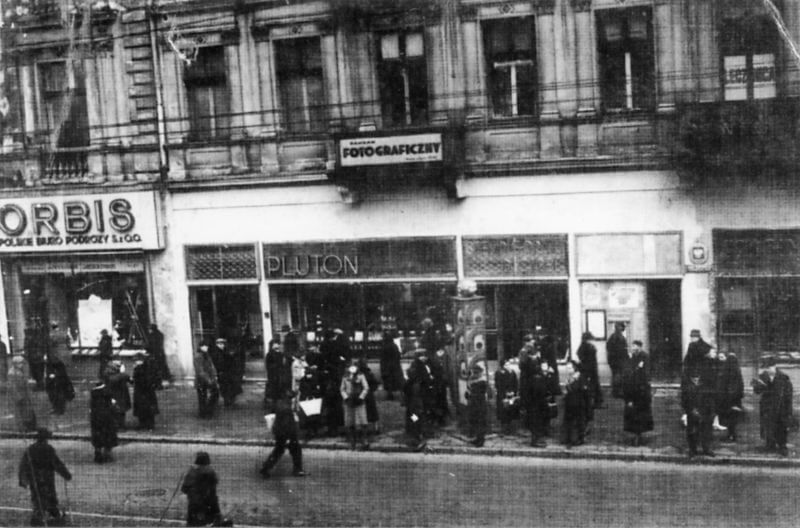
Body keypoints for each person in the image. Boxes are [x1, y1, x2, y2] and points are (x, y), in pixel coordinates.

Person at [18, 428, 72, 527]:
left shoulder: (30, 449)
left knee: (37, 496)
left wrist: (23, 479)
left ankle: (39, 515)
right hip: (47, 478)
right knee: (50, 495)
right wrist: (66, 474)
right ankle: (53, 514)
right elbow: (57, 463)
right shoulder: (48, 449)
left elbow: (24, 465)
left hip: (35, 478)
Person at [752, 357, 794, 456]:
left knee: (781, 427)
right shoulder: (763, 377)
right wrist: (756, 385)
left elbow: (788, 394)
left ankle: (782, 446)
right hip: (767, 407)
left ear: (774, 366)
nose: (767, 370)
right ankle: (770, 445)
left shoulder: (783, 377)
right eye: (765, 368)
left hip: (780, 406)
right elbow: (757, 391)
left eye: (769, 367)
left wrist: (788, 409)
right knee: (768, 426)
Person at [260, 392, 306, 478]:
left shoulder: (281, 404)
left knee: (279, 450)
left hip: (280, 431)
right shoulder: (287, 408)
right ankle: (297, 469)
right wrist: (291, 434)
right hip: (286, 432)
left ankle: (266, 467)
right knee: (294, 449)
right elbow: (287, 423)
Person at [181, 452, 229, 527]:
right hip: (208, 506)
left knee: (193, 524)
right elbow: (213, 493)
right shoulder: (211, 473)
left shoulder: (192, 472)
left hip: (195, 506)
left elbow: (184, 489)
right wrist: (217, 512)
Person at [622, 341, 653, 446]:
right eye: (633, 346)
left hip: (641, 390)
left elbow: (646, 373)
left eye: (635, 346)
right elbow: (627, 372)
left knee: (641, 414)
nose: (633, 348)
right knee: (632, 414)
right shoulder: (631, 358)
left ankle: (639, 435)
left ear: (639, 347)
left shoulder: (645, 357)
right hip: (631, 390)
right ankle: (635, 434)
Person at [681, 371, 715, 458]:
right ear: (690, 379)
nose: (696, 380)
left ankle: (706, 449)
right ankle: (693, 449)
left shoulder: (705, 387)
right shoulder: (687, 388)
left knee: (706, 431)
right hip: (692, 413)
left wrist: (709, 411)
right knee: (692, 432)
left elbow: (709, 400)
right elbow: (684, 401)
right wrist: (691, 410)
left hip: (704, 412)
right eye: (694, 379)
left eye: (697, 378)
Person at [341, 361, 370, 450]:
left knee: (362, 420)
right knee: (350, 421)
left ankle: (364, 440)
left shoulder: (361, 376)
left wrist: (361, 397)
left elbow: (366, 387)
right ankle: (352, 440)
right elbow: (342, 389)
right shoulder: (345, 377)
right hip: (349, 401)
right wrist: (346, 397)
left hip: (359, 400)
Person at [716, 351, 744, 443]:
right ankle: (732, 435)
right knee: (733, 419)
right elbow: (740, 386)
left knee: (730, 419)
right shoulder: (737, 372)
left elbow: (727, 386)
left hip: (730, 400)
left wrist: (727, 398)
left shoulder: (728, 373)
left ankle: (731, 436)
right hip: (735, 399)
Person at [561, 360, 590, 448]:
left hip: (578, 403)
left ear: (574, 368)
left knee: (577, 421)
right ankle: (568, 438)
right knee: (569, 421)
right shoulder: (570, 377)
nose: (568, 370)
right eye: (567, 368)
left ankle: (577, 438)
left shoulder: (580, 377)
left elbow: (583, 391)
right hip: (570, 403)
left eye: (570, 368)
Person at [90, 381, 119, 463]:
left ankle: (98, 452)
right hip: (107, 417)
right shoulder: (108, 392)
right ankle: (107, 454)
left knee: (97, 435)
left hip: (96, 417)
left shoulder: (93, 393)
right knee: (108, 435)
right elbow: (113, 405)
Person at [132, 352, 160, 430]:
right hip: (143, 391)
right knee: (142, 409)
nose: (135, 362)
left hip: (145, 392)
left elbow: (145, 379)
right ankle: (143, 424)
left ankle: (148, 425)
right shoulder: (141, 367)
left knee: (147, 409)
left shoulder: (143, 368)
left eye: (136, 360)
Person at [9, 355, 37, 432]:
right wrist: (18, 396)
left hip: (24, 394)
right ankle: (23, 428)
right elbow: (13, 386)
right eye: (20, 363)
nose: (22, 364)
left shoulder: (20, 371)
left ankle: (29, 426)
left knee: (27, 411)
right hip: (20, 395)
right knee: (21, 412)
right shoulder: (12, 373)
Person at [193, 341, 220, 419]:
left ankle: (208, 411)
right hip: (201, 380)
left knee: (214, 393)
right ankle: (203, 413)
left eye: (206, 346)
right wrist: (208, 380)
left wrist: (214, 376)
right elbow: (200, 371)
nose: (206, 348)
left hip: (209, 379)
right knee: (202, 397)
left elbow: (211, 367)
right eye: (204, 346)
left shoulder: (207, 356)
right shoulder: (198, 357)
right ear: (200, 347)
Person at [577, 332, 602, 410]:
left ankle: (596, 401)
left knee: (594, 385)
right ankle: (593, 402)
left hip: (591, 368)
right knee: (591, 385)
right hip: (588, 368)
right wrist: (585, 362)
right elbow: (580, 355)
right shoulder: (585, 346)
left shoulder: (587, 346)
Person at [466, 363, 490, 447]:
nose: (474, 374)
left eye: (475, 372)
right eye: (474, 372)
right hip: (475, 405)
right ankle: (478, 438)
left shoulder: (481, 382)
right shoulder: (475, 381)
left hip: (480, 405)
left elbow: (477, 393)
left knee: (480, 423)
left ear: (479, 373)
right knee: (477, 422)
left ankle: (480, 440)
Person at [102, 360, 131, 429]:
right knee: (119, 411)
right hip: (118, 395)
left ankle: (119, 425)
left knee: (118, 410)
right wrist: (122, 372)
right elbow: (126, 378)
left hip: (117, 394)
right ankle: (119, 425)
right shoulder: (117, 375)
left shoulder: (110, 373)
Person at [214, 338, 242, 407]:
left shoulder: (224, 351)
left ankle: (230, 402)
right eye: (220, 344)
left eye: (222, 344)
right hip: (221, 373)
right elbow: (216, 364)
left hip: (227, 373)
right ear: (217, 344)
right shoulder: (216, 353)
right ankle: (227, 402)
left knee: (229, 387)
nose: (221, 345)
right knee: (224, 388)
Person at [494, 357, 519, 435]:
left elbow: (515, 383)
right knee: (504, 412)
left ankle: (511, 428)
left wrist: (514, 392)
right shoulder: (499, 373)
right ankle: (504, 429)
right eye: (506, 364)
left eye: (509, 364)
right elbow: (498, 385)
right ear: (503, 365)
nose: (508, 366)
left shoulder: (512, 372)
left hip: (512, 395)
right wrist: (505, 393)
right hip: (503, 395)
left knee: (511, 410)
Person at [265, 338, 291, 410]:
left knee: (279, 392)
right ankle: (274, 407)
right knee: (274, 392)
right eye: (275, 344)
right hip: (273, 375)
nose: (277, 345)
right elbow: (269, 366)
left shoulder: (280, 354)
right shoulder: (270, 354)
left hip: (279, 375)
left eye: (278, 344)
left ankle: (278, 406)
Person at [358, 358, 380, 434]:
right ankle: (375, 428)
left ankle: (364, 428)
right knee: (372, 413)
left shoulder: (359, 374)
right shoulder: (369, 374)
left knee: (363, 412)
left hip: (362, 395)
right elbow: (375, 384)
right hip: (368, 395)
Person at [606, 322, 628, 399]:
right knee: (618, 375)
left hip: (615, 360)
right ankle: (617, 392)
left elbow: (608, 347)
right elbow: (622, 349)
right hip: (617, 360)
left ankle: (616, 391)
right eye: (621, 327)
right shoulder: (618, 337)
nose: (621, 329)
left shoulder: (614, 337)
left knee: (616, 375)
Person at [379, 332, 404, 400]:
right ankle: (402, 395)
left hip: (387, 367)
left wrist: (383, 367)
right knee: (398, 381)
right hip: (395, 367)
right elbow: (398, 356)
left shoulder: (384, 347)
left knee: (388, 381)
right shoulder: (394, 346)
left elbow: (383, 358)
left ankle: (390, 395)